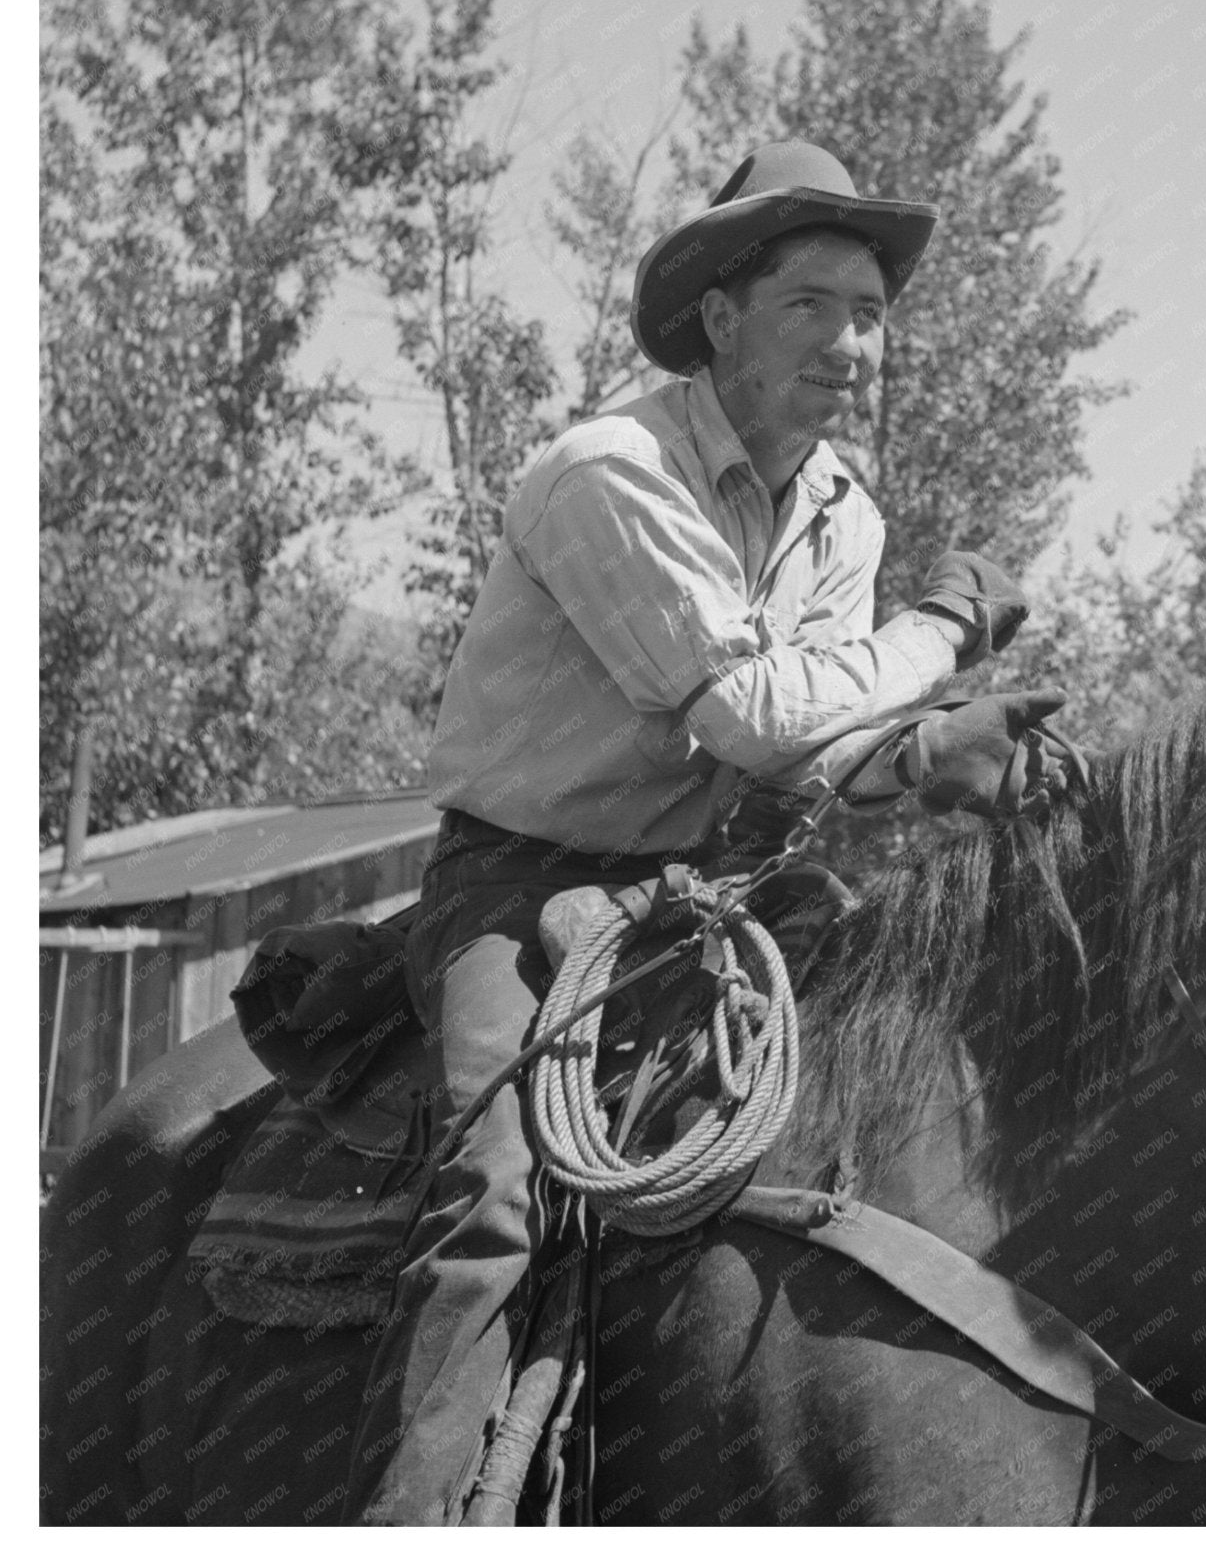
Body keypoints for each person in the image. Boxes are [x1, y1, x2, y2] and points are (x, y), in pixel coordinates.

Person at [345, 139, 1072, 1524]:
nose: (851, 344)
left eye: (869, 314)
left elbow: (815, 749)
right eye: (812, 306)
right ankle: (418, 1525)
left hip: (713, 885)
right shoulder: (607, 473)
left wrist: (926, 753)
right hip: (519, 883)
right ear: (721, 316)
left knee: (906, 1089)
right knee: (491, 1193)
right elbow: (748, 713)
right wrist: (939, 634)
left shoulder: (842, 514)